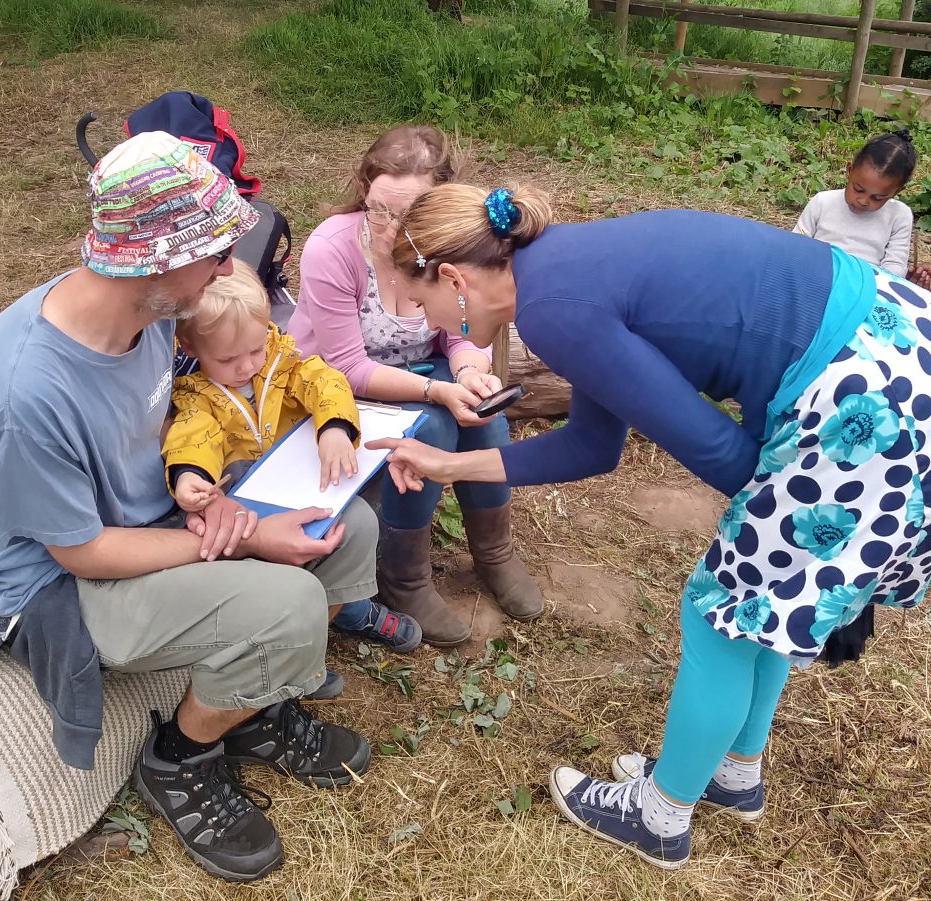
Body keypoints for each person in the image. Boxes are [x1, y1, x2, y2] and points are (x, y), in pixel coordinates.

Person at [369, 184, 931, 869]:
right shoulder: (557, 264)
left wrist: (800, 538)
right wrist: (449, 467)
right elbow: (594, 446)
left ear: (454, 279)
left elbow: (721, 454)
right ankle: (733, 771)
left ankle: (660, 816)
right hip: (891, 341)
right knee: (760, 594)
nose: (432, 325)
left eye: (425, 304)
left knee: (723, 610)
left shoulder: (552, 307)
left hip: (865, 396)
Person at [0, 131, 377, 883]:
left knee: (348, 525)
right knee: (290, 603)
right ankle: (179, 756)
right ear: (160, 259)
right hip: (60, 583)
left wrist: (211, 496)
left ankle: (251, 704)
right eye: (215, 254)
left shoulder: (142, 312)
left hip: (149, 520)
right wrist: (237, 539)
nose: (232, 269)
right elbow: (79, 552)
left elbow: (183, 417)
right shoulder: (25, 393)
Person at [288, 125, 542, 646]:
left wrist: (470, 370)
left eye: (408, 214)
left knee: (486, 417)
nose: (390, 226)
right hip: (335, 390)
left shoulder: (445, 244)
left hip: (418, 374)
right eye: (380, 208)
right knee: (435, 426)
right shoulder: (331, 250)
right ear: (364, 192)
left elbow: (458, 329)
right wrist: (438, 392)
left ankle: (493, 553)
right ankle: (404, 578)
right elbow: (346, 367)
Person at [164, 259, 422, 654]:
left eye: (253, 350)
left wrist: (334, 426)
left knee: (344, 531)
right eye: (228, 360)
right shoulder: (197, 395)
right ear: (191, 347)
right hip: (251, 502)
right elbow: (192, 436)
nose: (246, 366)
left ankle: (349, 607)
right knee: (274, 573)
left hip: (302, 480)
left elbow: (325, 382)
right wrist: (188, 475)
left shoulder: (278, 361)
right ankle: (293, 644)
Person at [794, 129, 930, 287]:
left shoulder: (899, 215)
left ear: (896, 191)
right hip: (817, 277)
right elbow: (797, 244)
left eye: (878, 198)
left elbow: (895, 266)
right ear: (850, 171)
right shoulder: (822, 201)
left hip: (866, 288)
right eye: (858, 189)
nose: (863, 201)